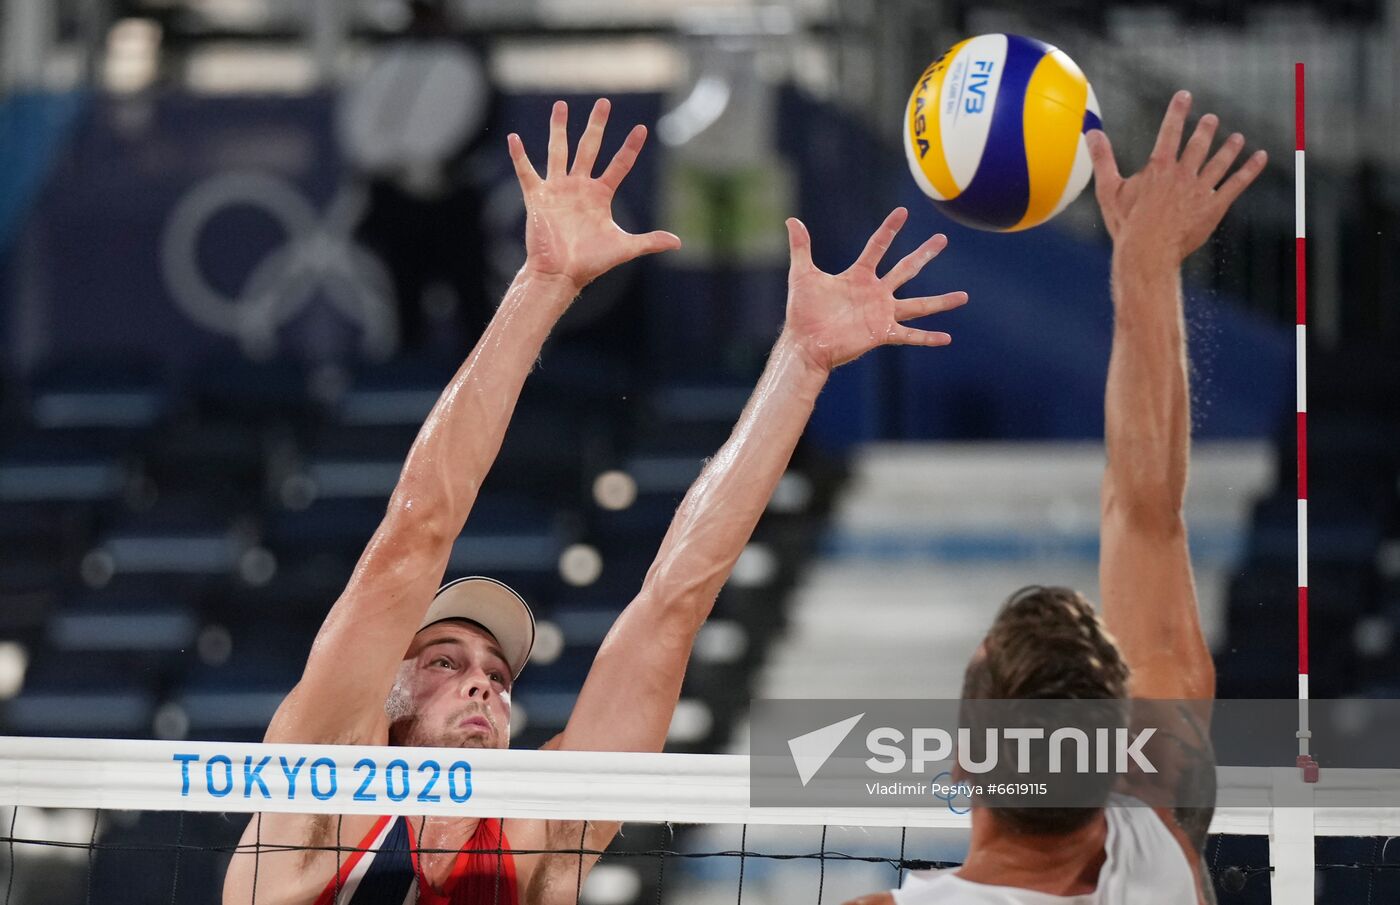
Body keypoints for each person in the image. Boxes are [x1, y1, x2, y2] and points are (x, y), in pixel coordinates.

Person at [223, 97, 968, 905]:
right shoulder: (318, 785)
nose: (484, 685)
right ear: (386, 692)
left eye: (498, 674)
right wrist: (543, 284)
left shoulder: (535, 829)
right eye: (445, 662)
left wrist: (803, 362)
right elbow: (417, 529)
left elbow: (672, 607)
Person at [844, 91, 1267, 905]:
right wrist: (1144, 266)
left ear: (961, 756)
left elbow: (1146, 513)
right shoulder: (1163, 847)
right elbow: (1147, 512)